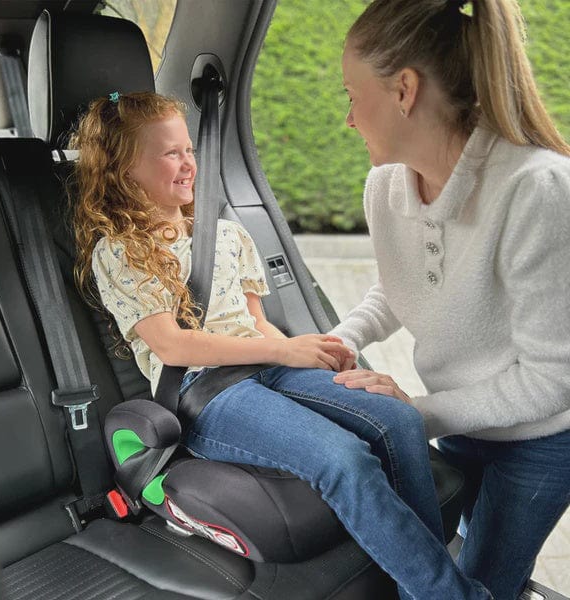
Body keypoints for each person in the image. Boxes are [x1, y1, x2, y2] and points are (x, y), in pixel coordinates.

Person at [71, 91, 492, 599]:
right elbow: (173, 346)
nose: (188, 164)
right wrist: (282, 352)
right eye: (169, 153)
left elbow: (257, 324)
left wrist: (312, 357)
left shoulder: (226, 236)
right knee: (343, 459)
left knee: (398, 419)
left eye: (189, 150)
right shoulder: (120, 251)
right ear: (123, 170)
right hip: (208, 392)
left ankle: (420, 585)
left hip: (268, 367)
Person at [332, 0, 570, 598]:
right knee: (451, 554)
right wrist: (340, 338)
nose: (348, 120)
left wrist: (417, 412)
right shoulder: (384, 185)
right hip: (458, 420)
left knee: (475, 582)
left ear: (404, 90)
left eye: (352, 96)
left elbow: (555, 378)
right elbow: (400, 286)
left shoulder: (537, 189)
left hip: (542, 439)